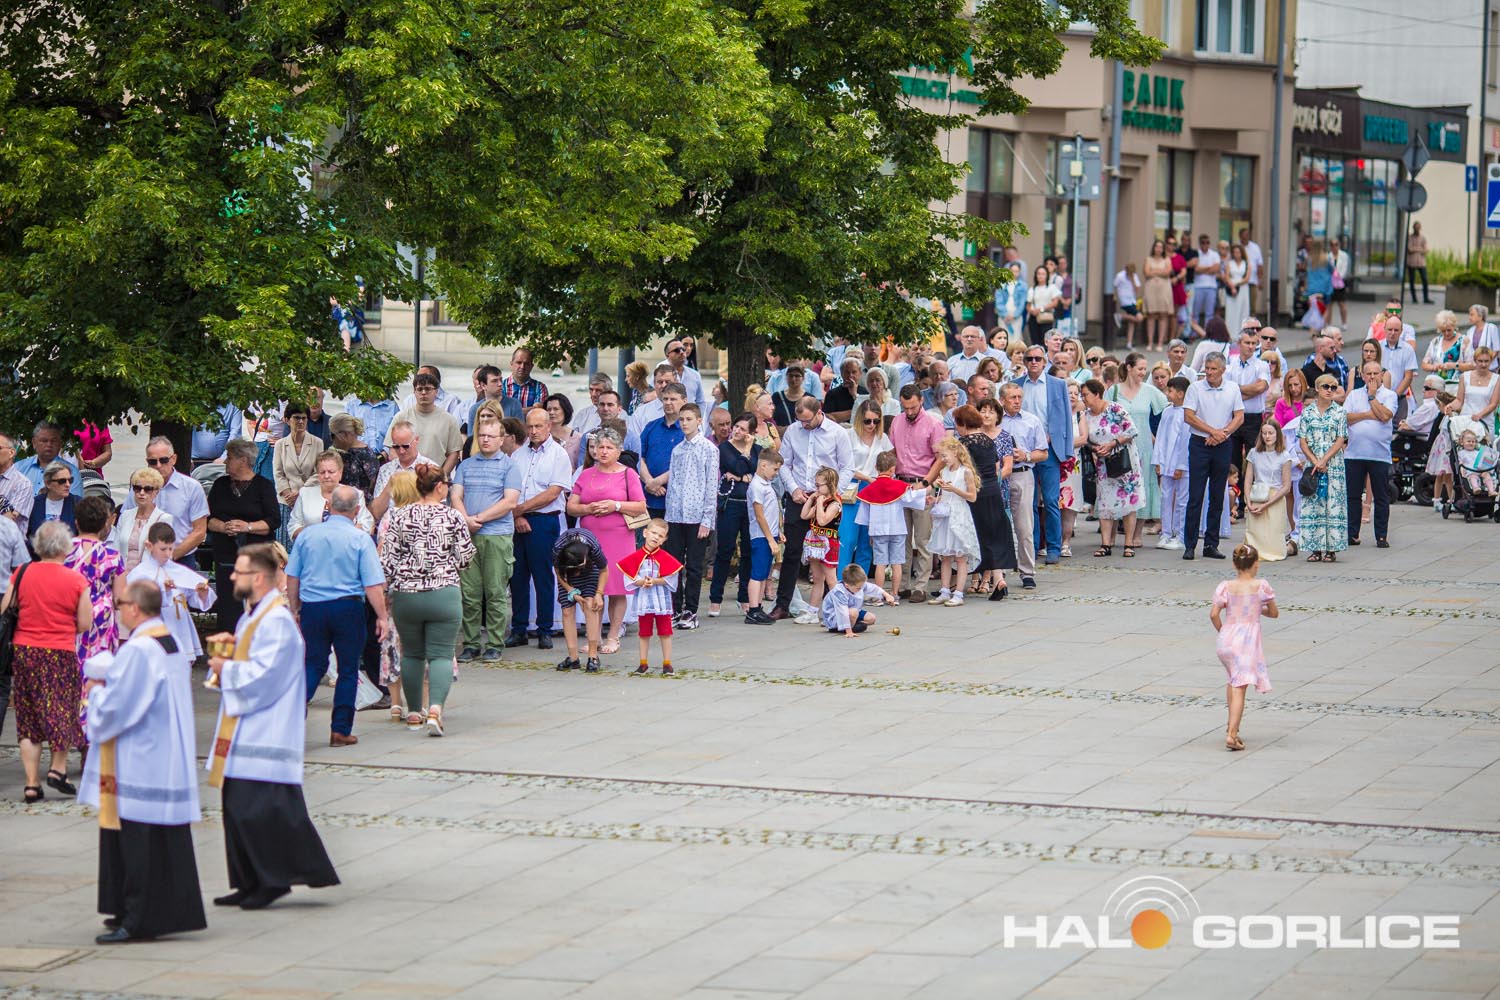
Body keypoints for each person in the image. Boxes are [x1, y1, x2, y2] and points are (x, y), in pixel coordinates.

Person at [205, 543, 339, 909]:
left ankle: (271, 880)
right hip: (245, 725)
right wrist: (231, 652)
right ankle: (248, 880)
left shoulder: (276, 621)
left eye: (240, 572)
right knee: (236, 808)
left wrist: (226, 668)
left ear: (259, 578)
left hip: (266, 729)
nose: (232, 577)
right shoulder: (252, 617)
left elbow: (266, 676)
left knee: (254, 810)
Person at [79, 580, 206, 945]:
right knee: (155, 841)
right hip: (163, 752)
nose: (118, 609)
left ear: (135, 608)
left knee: (138, 843)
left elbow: (121, 707)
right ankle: (133, 909)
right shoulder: (169, 640)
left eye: (121, 604)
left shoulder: (140, 649)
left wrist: (95, 694)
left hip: (140, 757)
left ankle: (138, 919)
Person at [287, 486, 388, 747]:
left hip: (313, 607)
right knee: (348, 669)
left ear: (329, 507)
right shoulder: (360, 539)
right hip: (348, 607)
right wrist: (381, 616)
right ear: (357, 510)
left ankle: (293, 712)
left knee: (313, 663)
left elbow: (293, 576)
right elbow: (372, 583)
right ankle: (340, 730)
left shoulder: (307, 536)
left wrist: (294, 608)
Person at [5, 521, 90, 802]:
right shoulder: (76, 580)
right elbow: (84, 623)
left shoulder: (21, 572)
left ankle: (31, 784)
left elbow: (6, 608)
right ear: (65, 547)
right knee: (62, 710)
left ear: (38, 546)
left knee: (28, 716)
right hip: (60, 651)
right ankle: (57, 769)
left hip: (25, 651)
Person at [771, 398, 851, 618]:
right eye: (800, 421)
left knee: (826, 553)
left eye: (807, 420)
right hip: (800, 496)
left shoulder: (837, 433)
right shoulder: (793, 431)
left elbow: (847, 467)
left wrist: (832, 494)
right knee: (792, 551)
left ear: (818, 412)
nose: (804, 425)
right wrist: (794, 489)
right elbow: (784, 464)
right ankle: (783, 604)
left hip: (826, 500)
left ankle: (829, 605)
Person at [450, 422, 523, 662]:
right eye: (481, 435)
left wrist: (479, 518)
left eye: (491, 436)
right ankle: (471, 644)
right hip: (468, 535)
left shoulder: (510, 466)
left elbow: (510, 502)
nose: (485, 439)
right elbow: (455, 495)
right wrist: (465, 519)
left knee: (495, 592)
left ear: (502, 439)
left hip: (497, 535)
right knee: (469, 593)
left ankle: (494, 644)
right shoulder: (466, 465)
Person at [506, 407, 572, 650]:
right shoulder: (518, 455)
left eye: (538, 426)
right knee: (517, 577)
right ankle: (519, 629)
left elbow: (553, 492)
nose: (533, 431)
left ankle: (545, 629)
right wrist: (517, 516)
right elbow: (510, 489)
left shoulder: (558, 455)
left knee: (543, 576)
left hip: (544, 521)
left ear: (548, 426)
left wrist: (520, 510)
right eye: (530, 426)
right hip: (518, 519)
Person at [206, 439, 281, 632]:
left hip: (256, 556)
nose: (225, 462)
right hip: (226, 557)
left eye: (230, 458)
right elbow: (208, 519)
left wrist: (247, 527)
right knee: (228, 606)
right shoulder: (220, 485)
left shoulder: (264, 486)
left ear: (243, 460)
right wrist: (224, 527)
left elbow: (273, 521)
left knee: (255, 604)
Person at [1210, 544, 1278, 752]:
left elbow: (1214, 614)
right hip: (1245, 643)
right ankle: (1232, 734)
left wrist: (1222, 632)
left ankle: (1232, 725)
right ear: (1256, 564)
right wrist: (1257, 608)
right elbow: (1274, 613)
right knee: (1240, 686)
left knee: (1233, 680)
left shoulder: (1226, 586)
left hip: (1226, 639)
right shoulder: (1261, 586)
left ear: (1234, 564)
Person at [1012, 347, 1074, 568]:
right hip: (1023, 451)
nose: (1034, 362)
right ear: (1025, 361)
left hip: (1049, 449)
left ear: (1045, 361)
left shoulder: (1057, 384)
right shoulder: (1017, 384)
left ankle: (1054, 547)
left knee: (1051, 500)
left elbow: (1066, 417)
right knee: (1028, 502)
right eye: (1029, 358)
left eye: (1038, 358)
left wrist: (1066, 449)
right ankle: (1035, 545)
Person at [1182, 353, 1244, 561]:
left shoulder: (1232, 388)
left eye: (1213, 369)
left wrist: (1222, 434)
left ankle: (1211, 543)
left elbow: (1239, 416)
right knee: (1195, 495)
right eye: (1207, 368)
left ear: (1223, 370)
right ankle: (1190, 544)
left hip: (1222, 444)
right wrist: (1212, 432)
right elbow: (1189, 416)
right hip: (1200, 443)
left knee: (1218, 495)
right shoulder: (1195, 388)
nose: (1208, 372)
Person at [664, 403, 718, 630]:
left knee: (694, 566)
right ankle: (676, 607)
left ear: (699, 421)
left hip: (697, 515)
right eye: (682, 419)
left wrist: (707, 519)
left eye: (689, 419)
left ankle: (691, 610)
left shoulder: (708, 449)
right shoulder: (677, 450)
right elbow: (673, 484)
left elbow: (711, 485)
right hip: (676, 514)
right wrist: (668, 517)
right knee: (674, 564)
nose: (684, 423)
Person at [126, 522, 212, 662]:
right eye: (163, 549)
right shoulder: (140, 573)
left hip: (180, 625)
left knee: (182, 663)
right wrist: (162, 591)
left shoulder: (179, 571)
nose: (167, 554)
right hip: (155, 626)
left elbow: (192, 598)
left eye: (171, 549)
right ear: (149, 546)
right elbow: (135, 602)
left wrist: (202, 594)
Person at [1106, 354, 1168, 546]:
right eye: (1140, 368)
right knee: (1116, 488)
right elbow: (1104, 416)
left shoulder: (1150, 391)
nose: (1143, 372)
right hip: (1118, 447)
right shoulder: (1114, 391)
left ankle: (1136, 534)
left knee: (1142, 489)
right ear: (1129, 368)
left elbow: (1169, 409)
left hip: (1143, 448)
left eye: (1144, 369)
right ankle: (1111, 535)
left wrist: (1159, 440)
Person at [1081, 379, 1144, 558]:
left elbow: (1132, 431)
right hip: (1103, 463)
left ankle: (1128, 543)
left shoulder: (1115, 409)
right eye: (1082, 395)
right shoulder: (1086, 415)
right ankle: (1106, 544)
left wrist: (1112, 443)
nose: (1083, 398)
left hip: (1124, 460)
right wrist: (1095, 448)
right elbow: (1085, 439)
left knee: (1128, 502)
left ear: (1097, 394)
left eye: (1086, 394)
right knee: (1105, 501)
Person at [856, 450, 929, 604]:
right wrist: (927, 493)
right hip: (898, 529)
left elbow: (864, 515)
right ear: (892, 469)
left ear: (876, 467)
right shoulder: (899, 487)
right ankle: (895, 594)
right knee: (897, 563)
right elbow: (912, 498)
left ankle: (878, 595)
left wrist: (869, 532)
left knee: (880, 563)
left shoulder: (870, 489)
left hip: (878, 531)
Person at [709, 415, 762, 617]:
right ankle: (716, 598)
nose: (737, 431)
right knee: (725, 550)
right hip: (730, 503)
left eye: (743, 429)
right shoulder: (724, 448)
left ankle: (744, 597)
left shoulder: (757, 450)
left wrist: (743, 475)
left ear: (751, 433)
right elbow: (738, 467)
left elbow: (759, 473)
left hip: (750, 505)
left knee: (748, 551)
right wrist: (743, 472)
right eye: (736, 426)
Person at [1344, 360, 1397, 550]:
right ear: (1362, 375)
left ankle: (1381, 535)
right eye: (1369, 374)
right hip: (1354, 453)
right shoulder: (1354, 395)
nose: (1372, 377)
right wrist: (1367, 414)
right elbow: (1345, 418)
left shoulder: (1390, 395)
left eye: (1376, 373)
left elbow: (1385, 416)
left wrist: (1372, 397)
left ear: (1382, 375)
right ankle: (1352, 534)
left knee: (1381, 497)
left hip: (1379, 454)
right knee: (1353, 496)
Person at [1299, 374, 1350, 562]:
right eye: (1326, 387)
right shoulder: (1307, 412)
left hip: (1333, 463)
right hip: (1313, 462)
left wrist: (1324, 460)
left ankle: (1331, 549)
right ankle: (1315, 548)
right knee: (1313, 503)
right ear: (1317, 388)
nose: (1330, 390)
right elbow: (1302, 440)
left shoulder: (1340, 412)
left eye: (1333, 387)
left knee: (1333, 504)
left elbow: (1341, 439)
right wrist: (1315, 461)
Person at [924, 437, 980, 606]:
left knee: (960, 556)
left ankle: (959, 593)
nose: (943, 459)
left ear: (955, 453)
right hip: (946, 516)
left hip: (959, 515)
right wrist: (934, 499)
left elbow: (972, 497)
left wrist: (954, 489)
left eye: (944, 455)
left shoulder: (965, 472)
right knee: (945, 556)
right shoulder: (944, 472)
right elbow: (944, 495)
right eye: (941, 456)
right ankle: (945, 590)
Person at [621, 520, 681, 675]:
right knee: (644, 632)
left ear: (664, 539)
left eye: (660, 536)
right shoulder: (636, 557)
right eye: (654, 533)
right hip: (644, 601)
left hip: (661, 601)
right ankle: (643, 663)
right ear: (645, 533)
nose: (656, 537)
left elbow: (671, 578)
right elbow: (630, 578)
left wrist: (654, 581)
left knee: (665, 632)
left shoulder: (665, 557)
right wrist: (641, 582)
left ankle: (667, 663)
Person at [551, 527, 609, 672]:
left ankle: (593, 656)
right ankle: (573, 658)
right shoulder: (558, 549)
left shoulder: (592, 547)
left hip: (590, 571)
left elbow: (604, 570)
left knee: (590, 605)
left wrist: (599, 593)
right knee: (567, 611)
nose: (578, 572)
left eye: (579, 567)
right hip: (566, 575)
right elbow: (558, 571)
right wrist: (570, 590)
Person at [389, 372, 465, 474]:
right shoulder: (401, 417)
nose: (423, 393)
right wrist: (403, 474)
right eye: (420, 389)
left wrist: (441, 476)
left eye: (428, 389)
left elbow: (454, 453)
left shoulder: (449, 420)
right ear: (414, 392)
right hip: (406, 477)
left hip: (435, 478)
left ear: (436, 392)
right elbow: (392, 449)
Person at [287, 450, 374, 539]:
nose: (326, 476)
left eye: (331, 472)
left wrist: (342, 535)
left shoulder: (355, 494)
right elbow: (293, 526)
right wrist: (315, 534)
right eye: (322, 472)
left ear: (340, 472)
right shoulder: (305, 493)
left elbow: (366, 524)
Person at [794, 467, 843, 622]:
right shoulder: (819, 500)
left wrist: (820, 503)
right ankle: (812, 612)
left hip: (828, 542)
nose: (816, 488)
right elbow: (804, 515)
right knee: (817, 578)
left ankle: (839, 612)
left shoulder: (834, 503)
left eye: (819, 485)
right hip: (815, 542)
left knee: (831, 579)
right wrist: (811, 500)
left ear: (830, 484)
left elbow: (822, 520)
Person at [1243, 420, 1294, 561]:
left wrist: (1267, 504)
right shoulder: (1254, 453)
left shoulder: (1284, 456)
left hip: (1275, 497)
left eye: (1270, 433)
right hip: (1257, 495)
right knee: (1255, 536)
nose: (1267, 436)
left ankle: (1289, 546)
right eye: (1264, 433)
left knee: (1273, 543)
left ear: (1277, 434)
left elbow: (1286, 486)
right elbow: (1248, 480)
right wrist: (1248, 501)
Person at [744, 450, 785, 624]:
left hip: (769, 534)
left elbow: (770, 512)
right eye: (775, 469)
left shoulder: (766, 484)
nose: (776, 473)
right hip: (761, 536)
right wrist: (769, 538)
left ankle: (758, 606)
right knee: (758, 573)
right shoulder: (757, 486)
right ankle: (753, 609)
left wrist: (777, 532)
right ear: (763, 465)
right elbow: (760, 515)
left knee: (763, 573)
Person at [112, 469, 178, 575]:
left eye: (148, 489)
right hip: (123, 576)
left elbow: (165, 555)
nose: (142, 493)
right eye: (137, 488)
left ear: (156, 491)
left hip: (148, 577)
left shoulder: (164, 519)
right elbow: (116, 548)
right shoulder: (125, 515)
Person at [272, 402, 321, 541]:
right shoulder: (280, 444)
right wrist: (289, 494)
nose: (300, 421)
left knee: (307, 540)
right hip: (286, 501)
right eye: (296, 418)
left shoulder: (317, 443)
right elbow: (278, 473)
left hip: (309, 499)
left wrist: (300, 492)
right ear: (287, 420)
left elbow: (318, 472)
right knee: (284, 542)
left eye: (304, 418)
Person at [1155, 376, 1192, 551]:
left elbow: (1185, 441)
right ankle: (1166, 533)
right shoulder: (1167, 411)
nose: (1167, 393)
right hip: (1166, 462)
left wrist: (1181, 465)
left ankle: (1181, 535)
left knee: (1182, 500)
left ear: (1180, 393)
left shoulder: (1188, 413)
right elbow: (1161, 437)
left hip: (1181, 464)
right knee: (1166, 497)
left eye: (1170, 391)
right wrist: (1158, 460)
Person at [821, 564, 894, 636]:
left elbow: (873, 588)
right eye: (858, 588)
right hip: (835, 616)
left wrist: (886, 595)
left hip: (853, 611)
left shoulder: (858, 584)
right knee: (853, 612)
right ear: (847, 585)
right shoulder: (839, 592)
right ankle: (843, 628)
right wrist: (849, 632)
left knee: (871, 618)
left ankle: (852, 624)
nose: (861, 589)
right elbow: (842, 612)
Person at [15, 422, 82, 498]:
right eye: (44, 441)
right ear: (34, 443)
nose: (49, 444)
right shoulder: (18, 468)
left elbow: (75, 503)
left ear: (60, 444)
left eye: (53, 441)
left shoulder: (72, 473)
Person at [330, 413, 382, 501]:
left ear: (345, 434)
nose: (331, 439)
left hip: (358, 503)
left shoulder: (362, 456)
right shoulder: (341, 453)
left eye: (332, 435)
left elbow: (373, 485)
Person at [26, 460, 78, 540]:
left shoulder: (78, 504)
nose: (68, 485)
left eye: (70, 480)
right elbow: (27, 535)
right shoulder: (33, 504)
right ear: (48, 483)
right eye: (62, 481)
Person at [1423, 310, 1466, 394]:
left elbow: (1472, 365)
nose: (1446, 333)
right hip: (1436, 388)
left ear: (1454, 326)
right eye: (1443, 331)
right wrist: (1434, 367)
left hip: (1456, 388)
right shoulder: (1435, 342)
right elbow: (1424, 365)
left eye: (1449, 330)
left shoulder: (1464, 341)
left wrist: (1454, 365)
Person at [1190, 234, 1222, 331]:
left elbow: (1216, 269)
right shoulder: (1196, 254)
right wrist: (1210, 268)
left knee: (1209, 313)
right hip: (1198, 287)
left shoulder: (1214, 254)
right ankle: (1195, 332)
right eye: (1203, 243)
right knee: (1195, 312)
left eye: (1207, 242)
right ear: (1200, 243)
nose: (1205, 244)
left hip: (1211, 287)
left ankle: (1208, 332)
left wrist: (1202, 269)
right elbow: (1196, 269)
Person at [1455, 429, 1499, 494]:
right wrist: (1462, 472)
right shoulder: (1461, 453)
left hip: (1481, 469)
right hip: (1470, 471)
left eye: (1473, 442)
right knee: (1473, 477)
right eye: (1468, 441)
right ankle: (1475, 488)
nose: (1471, 443)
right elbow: (1461, 463)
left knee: (1487, 475)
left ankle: (1491, 490)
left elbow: (1484, 459)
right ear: (1462, 442)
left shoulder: (1478, 451)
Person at [1025, 265, 1060, 346]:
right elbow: (1028, 305)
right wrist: (1032, 311)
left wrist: (1041, 309)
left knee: (1046, 341)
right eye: (1039, 274)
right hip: (1034, 318)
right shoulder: (1032, 289)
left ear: (1047, 275)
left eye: (1043, 274)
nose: (1040, 276)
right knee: (1035, 341)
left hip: (1046, 317)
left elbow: (1055, 303)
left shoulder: (1052, 287)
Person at [1223, 244, 1250, 334]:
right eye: (1235, 252)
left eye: (1238, 252)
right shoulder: (1229, 263)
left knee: (1243, 310)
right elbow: (1227, 276)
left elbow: (1247, 278)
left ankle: (1242, 333)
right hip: (1232, 287)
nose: (1236, 254)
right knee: (1232, 310)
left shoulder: (1246, 263)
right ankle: (1231, 333)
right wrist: (1232, 287)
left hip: (1243, 288)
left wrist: (1236, 284)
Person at [1406, 222, 1431, 304]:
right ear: (1413, 228)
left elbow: (1426, 250)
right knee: (1412, 281)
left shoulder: (1423, 238)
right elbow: (1409, 249)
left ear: (1420, 228)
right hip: (1412, 263)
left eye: (1418, 227)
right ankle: (1414, 299)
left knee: (1425, 280)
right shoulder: (1410, 238)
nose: (1417, 229)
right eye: (1415, 227)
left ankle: (1426, 298)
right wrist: (1420, 248)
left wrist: (1415, 249)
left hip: (1421, 263)